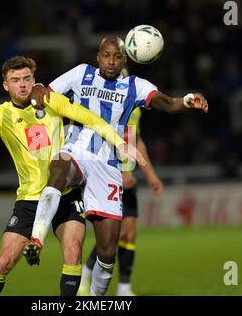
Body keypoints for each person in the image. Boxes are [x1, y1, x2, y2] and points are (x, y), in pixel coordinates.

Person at [24, 36, 208, 296]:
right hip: (77, 149)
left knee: (108, 251)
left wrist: (188, 99)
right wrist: (39, 90)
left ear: (124, 59)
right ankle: (36, 238)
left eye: (117, 57)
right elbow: (46, 91)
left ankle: (97, 298)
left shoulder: (135, 86)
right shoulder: (80, 74)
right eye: (106, 56)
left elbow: (167, 103)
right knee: (59, 167)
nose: (111, 61)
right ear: (98, 57)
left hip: (109, 165)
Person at [0, 55, 142, 296]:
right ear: (6, 85)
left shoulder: (51, 100)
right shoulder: (1, 115)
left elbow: (91, 118)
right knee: (3, 262)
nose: (22, 84)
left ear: (35, 80)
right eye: (15, 80)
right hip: (30, 198)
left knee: (73, 251)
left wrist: (119, 142)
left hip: (65, 194)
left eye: (26, 78)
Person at [78, 106, 163, 296]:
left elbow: (136, 141)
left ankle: (124, 288)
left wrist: (150, 175)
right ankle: (87, 271)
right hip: (108, 177)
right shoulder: (107, 105)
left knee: (129, 234)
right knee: (116, 233)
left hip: (128, 179)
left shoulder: (136, 108)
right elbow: (104, 138)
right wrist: (122, 171)